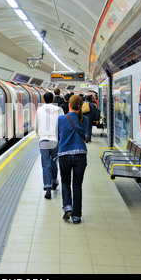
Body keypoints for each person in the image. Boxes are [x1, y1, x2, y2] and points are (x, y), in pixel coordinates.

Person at [57, 95, 88, 224]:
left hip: (64, 154)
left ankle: (67, 207)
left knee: (65, 182)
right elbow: (85, 135)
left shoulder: (61, 119)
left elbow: (57, 136)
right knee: (77, 185)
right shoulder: (84, 119)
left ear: (69, 105)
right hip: (80, 155)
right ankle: (77, 216)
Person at [34, 92, 64, 199]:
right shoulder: (59, 110)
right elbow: (62, 124)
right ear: (52, 100)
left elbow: (36, 126)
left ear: (43, 99)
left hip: (43, 140)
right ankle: (54, 181)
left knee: (45, 164)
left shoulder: (40, 109)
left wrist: (39, 134)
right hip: (55, 140)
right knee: (53, 162)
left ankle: (47, 188)